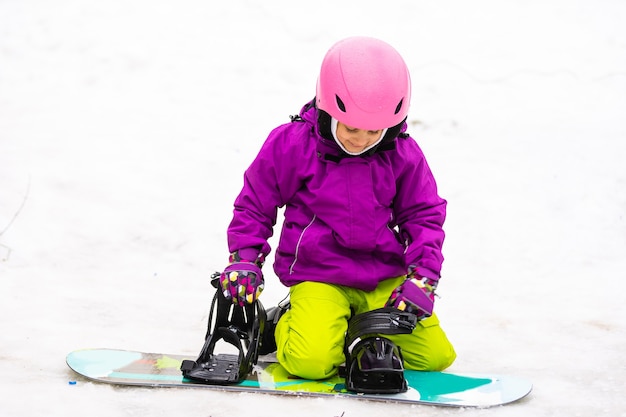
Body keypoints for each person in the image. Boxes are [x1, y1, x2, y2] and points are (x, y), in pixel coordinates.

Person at [219, 36, 456, 383]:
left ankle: (353, 332)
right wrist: (245, 258)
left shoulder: (402, 154)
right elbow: (256, 204)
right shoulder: (292, 144)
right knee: (310, 363)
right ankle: (286, 320)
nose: (361, 139)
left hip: (381, 277)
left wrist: (422, 278)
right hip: (320, 274)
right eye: (352, 127)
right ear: (328, 107)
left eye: (374, 130)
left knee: (435, 357)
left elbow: (423, 217)